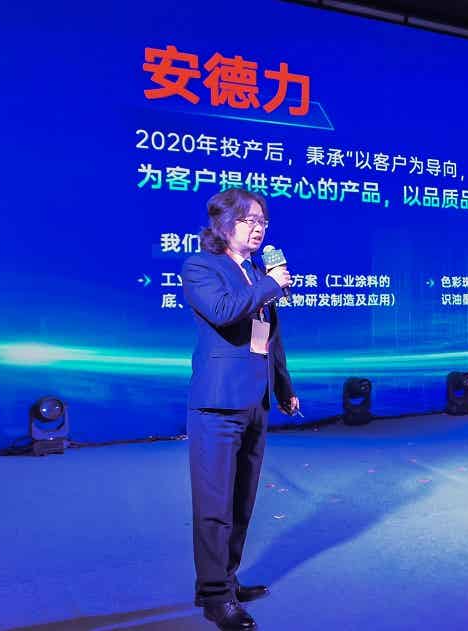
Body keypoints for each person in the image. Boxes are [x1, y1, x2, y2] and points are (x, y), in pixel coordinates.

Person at [182, 188, 297, 630]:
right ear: (222, 224)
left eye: (263, 221)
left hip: (256, 401)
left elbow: (269, 337)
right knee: (214, 504)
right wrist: (272, 284)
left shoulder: (256, 272)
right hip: (218, 404)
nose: (258, 228)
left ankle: (226, 580)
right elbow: (223, 311)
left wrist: (283, 386)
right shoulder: (200, 267)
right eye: (249, 219)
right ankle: (215, 597)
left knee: (242, 500)